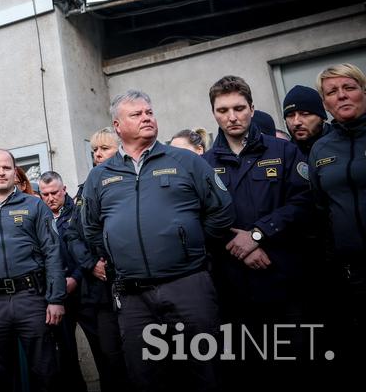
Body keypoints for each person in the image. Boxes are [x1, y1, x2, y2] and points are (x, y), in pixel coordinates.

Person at [82, 90, 234, 391]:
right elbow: (90, 228)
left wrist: (188, 244)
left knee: (204, 374)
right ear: (117, 125)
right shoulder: (100, 176)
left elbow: (222, 211)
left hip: (188, 286)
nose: (146, 117)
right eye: (136, 114)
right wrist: (119, 252)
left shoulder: (185, 161)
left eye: (149, 112)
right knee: (146, 378)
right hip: (133, 296)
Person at [202, 76, 312, 389]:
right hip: (233, 288)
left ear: (252, 109)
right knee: (248, 374)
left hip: (284, 281)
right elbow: (202, 216)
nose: (232, 116)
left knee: (295, 366)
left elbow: (304, 203)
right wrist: (237, 244)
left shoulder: (284, 151)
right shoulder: (203, 165)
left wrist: (258, 235)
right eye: (223, 110)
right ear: (214, 113)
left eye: (239, 108)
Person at [0, 154, 65, 392]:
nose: (1, 172)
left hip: (31, 298)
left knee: (45, 370)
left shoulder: (34, 205)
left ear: (15, 171)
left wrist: (56, 298)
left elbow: (52, 251)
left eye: (7, 167)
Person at [308, 63, 366, 371]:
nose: (341, 96)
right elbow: (321, 209)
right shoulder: (320, 149)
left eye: (349, 87)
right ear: (325, 102)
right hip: (352, 273)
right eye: (332, 92)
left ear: (363, 91)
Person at [64, 129, 127, 392]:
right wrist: (91, 264)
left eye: (104, 149)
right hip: (100, 293)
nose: (97, 155)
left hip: (132, 283)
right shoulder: (85, 189)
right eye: (94, 151)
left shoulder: (131, 181)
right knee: (109, 359)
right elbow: (72, 233)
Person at [37, 171, 85, 392]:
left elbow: (87, 250)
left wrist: (75, 277)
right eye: (44, 194)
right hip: (56, 295)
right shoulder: (38, 218)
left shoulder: (79, 214)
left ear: (64, 190)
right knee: (66, 353)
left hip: (85, 291)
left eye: (54, 192)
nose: (50, 198)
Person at [282, 84, 331, 157]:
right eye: (290, 115)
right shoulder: (285, 154)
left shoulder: (343, 143)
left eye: (305, 114)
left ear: (322, 117)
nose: (296, 122)